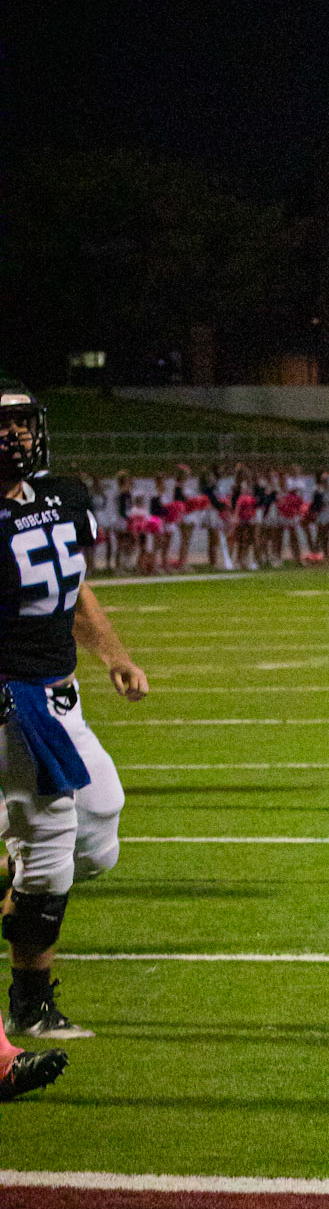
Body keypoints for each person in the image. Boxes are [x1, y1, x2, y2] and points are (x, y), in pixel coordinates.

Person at [0, 382, 148, 1037]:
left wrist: (114, 654)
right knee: (51, 842)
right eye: (1, 426)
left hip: (63, 697)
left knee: (98, 832)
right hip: (17, 699)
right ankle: (30, 1007)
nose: (15, 436)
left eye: (22, 423)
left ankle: (17, 875)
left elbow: (73, 588)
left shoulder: (62, 496)